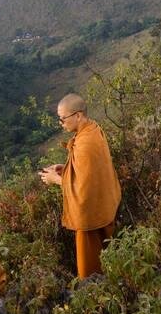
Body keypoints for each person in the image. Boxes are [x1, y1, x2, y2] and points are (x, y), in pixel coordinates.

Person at [39, 93, 121, 278]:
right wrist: (65, 168)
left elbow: (82, 186)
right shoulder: (92, 129)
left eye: (63, 118)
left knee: (90, 266)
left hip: (90, 216)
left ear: (78, 115)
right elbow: (88, 172)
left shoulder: (85, 143)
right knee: (109, 255)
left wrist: (55, 179)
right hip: (104, 206)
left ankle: (95, 294)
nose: (61, 123)